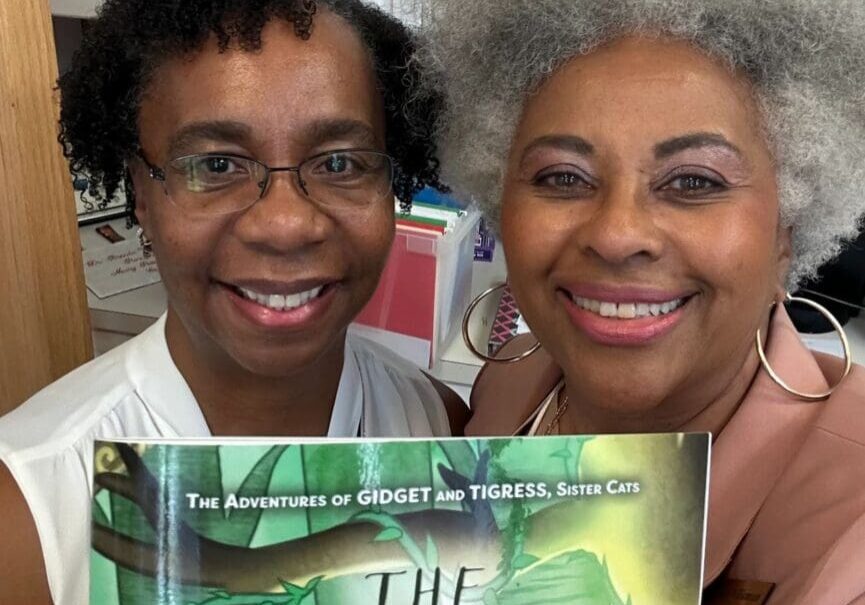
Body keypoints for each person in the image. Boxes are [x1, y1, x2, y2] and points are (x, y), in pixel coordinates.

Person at [0, 1, 468, 602]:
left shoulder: (440, 427)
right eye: (216, 164)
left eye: (339, 162)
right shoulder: (28, 509)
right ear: (141, 192)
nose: (286, 224)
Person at [417, 1, 865, 603]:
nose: (616, 234)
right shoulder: (511, 378)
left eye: (693, 181)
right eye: (563, 177)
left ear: (787, 230)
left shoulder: (850, 532)